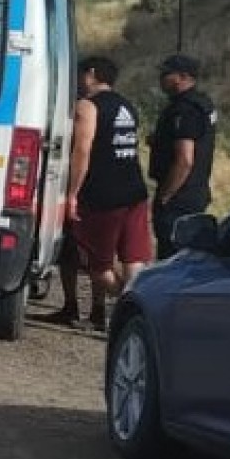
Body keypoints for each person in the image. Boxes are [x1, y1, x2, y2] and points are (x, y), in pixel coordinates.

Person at [60, 55, 153, 331]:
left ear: (91, 74)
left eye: (80, 75)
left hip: (103, 195)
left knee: (98, 266)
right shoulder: (128, 106)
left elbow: (82, 150)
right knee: (132, 258)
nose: (78, 81)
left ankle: (136, 309)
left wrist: (73, 193)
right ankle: (138, 309)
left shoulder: (87, 107)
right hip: (135, 191)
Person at [149, 53, 218, 260]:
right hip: (196, 190)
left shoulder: (184, 110)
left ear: (183, 77)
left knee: (172, 257)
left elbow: (185, 160)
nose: (161, 78)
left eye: (166, 74)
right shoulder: (202, 103)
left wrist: (166, 195)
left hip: (179, 197)